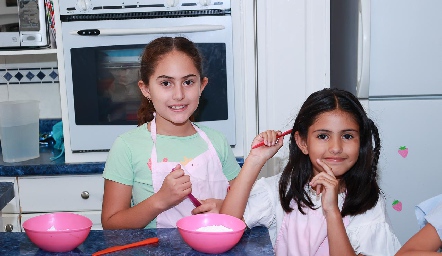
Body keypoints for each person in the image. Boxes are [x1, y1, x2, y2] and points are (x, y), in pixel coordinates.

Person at [220, 88, 401, 255]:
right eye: (323, 136)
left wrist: (331, 211)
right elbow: (225, 227)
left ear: (360, 142)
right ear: (303, 143)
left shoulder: (369, 205)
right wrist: (255, 159)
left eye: (347, 136)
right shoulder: (282, 190)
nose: (336, 147)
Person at [101, 37, 240, 229]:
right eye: (166, 83)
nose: (179, 95)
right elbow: (111, 225)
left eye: (188, 82)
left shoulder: (217, 142)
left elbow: (243, 204)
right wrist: (160, 200)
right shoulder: (127, 147)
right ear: (146, 89)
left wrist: (223, 207)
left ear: (202, 85)